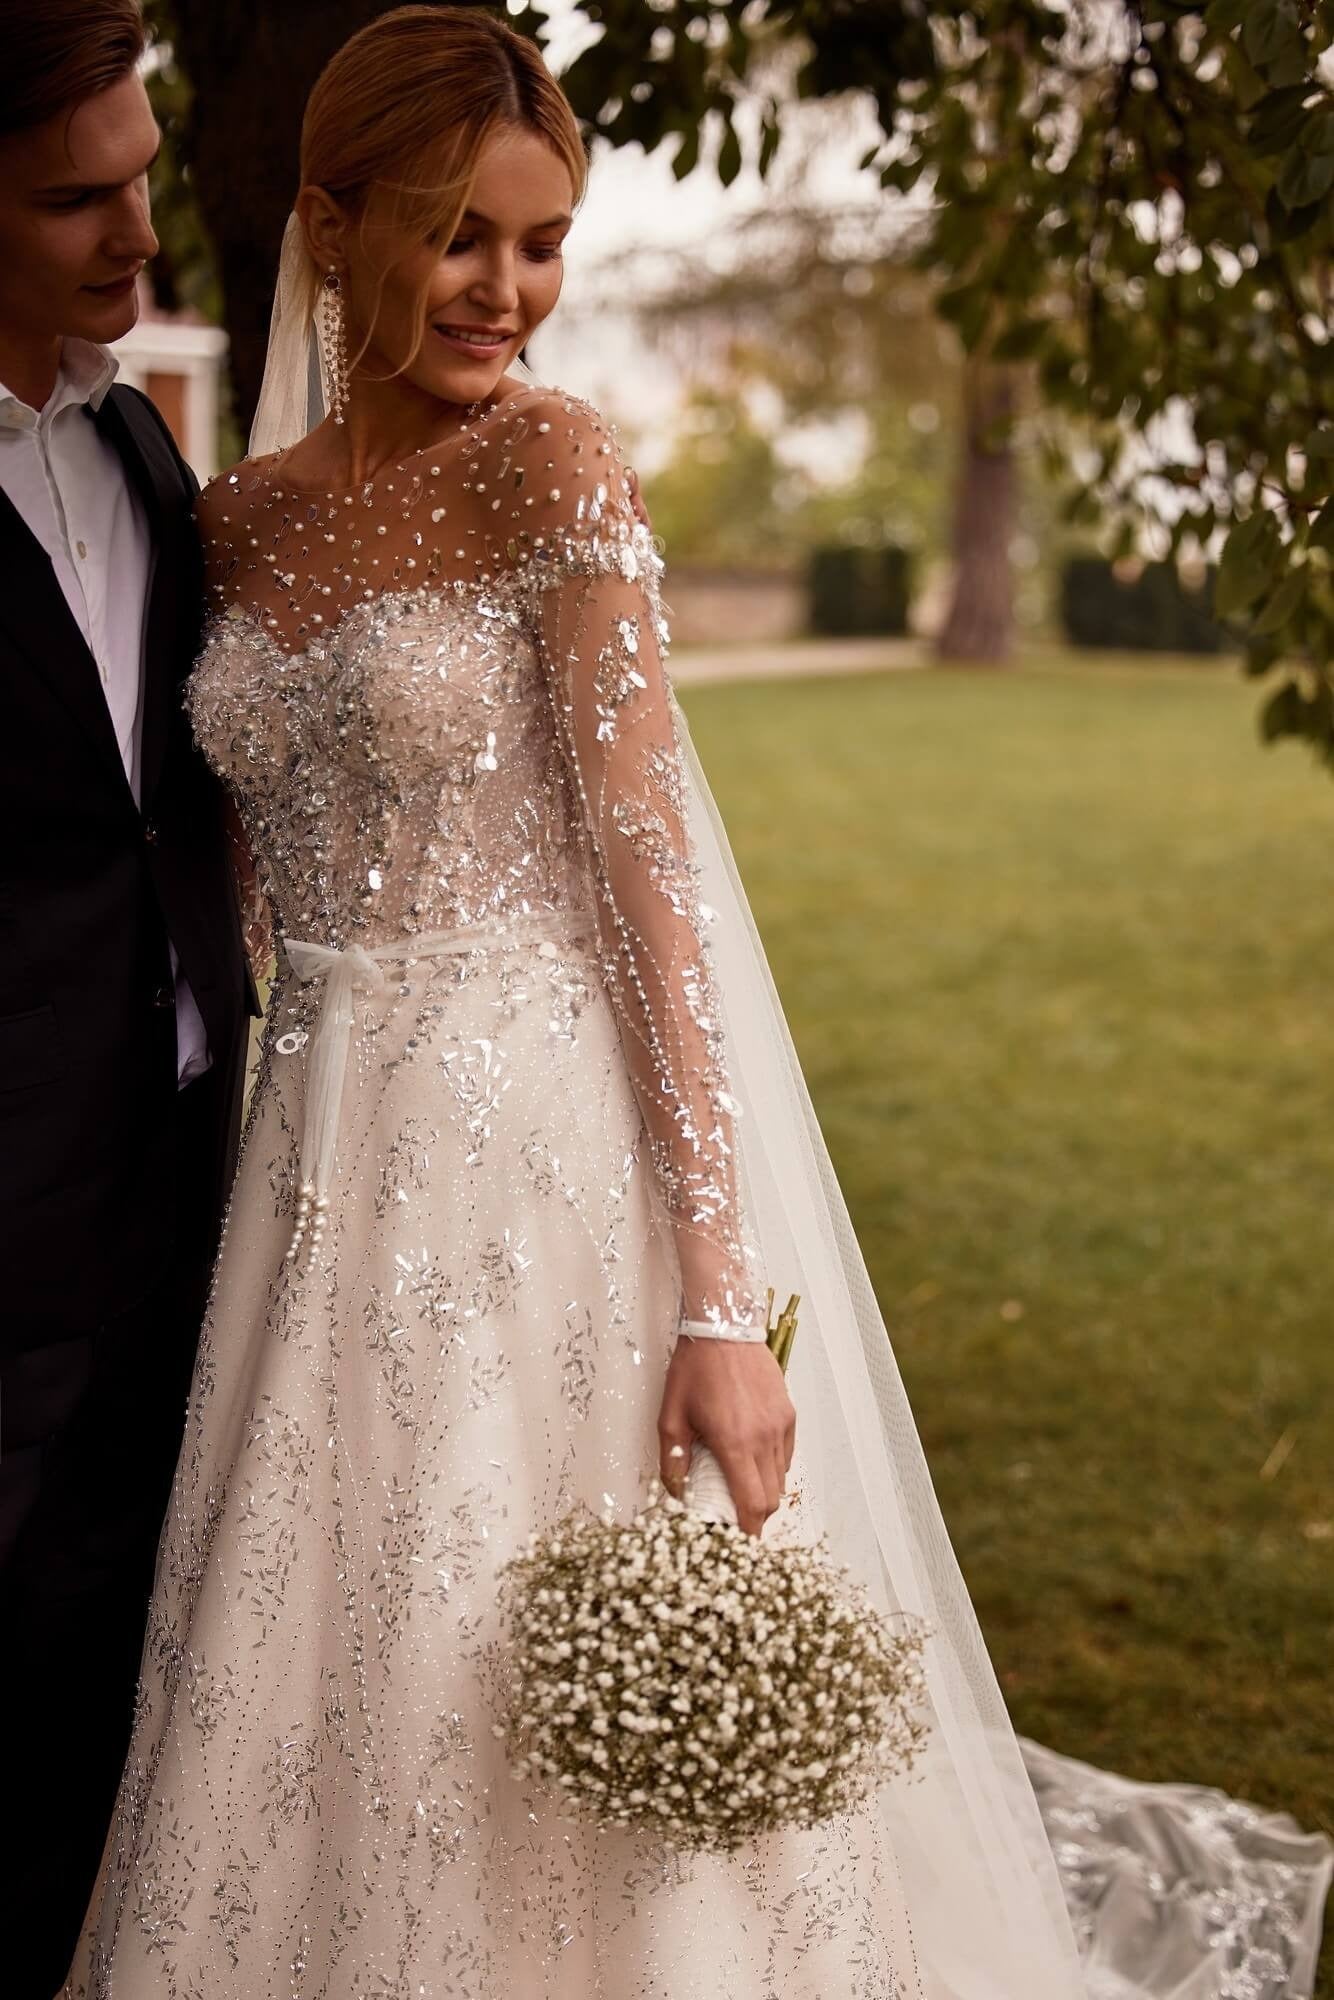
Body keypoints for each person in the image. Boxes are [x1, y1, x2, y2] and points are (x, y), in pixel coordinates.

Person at [63, 9, 1332, 1998]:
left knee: (540, 1667)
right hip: (309, 1195)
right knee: (331, 1656)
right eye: (456, 236)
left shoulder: (551, 466)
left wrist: (716, 1299)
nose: (508, 289)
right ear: (325, 225)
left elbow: (659, 900)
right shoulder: (236, 521)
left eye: (543, 238)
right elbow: (228, 883)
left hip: (539, 1182)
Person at [0, 5, 257, 1995]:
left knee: (139, 1685)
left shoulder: (137, 442)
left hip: (188, 1175)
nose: (133, 233)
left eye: (143, 176)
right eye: (74, 195)